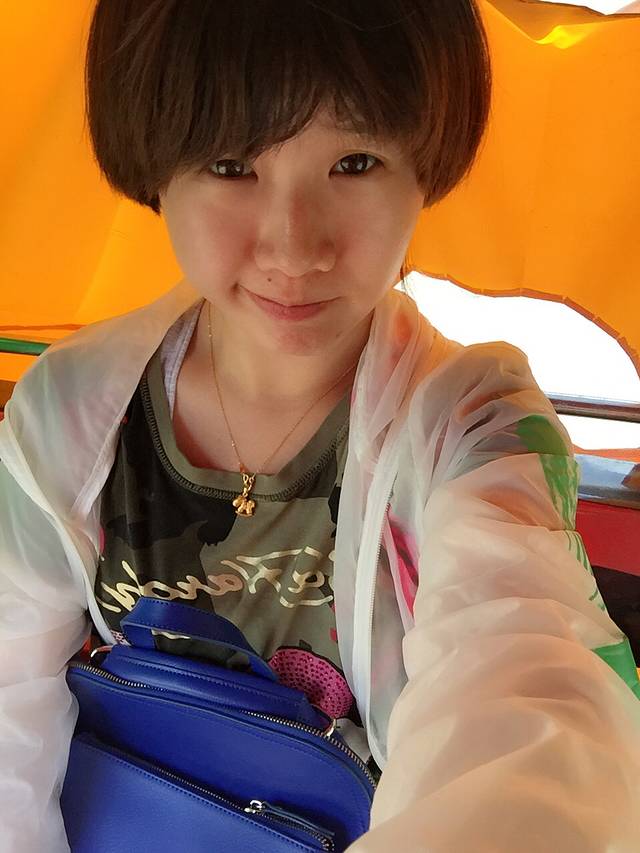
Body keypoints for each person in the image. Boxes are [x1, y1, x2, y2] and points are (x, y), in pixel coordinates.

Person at [1, 1, 639, 851]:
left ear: (425, 169)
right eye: (232, 165)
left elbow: (529, 694)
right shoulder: (69, 413)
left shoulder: (476, 431)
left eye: (355, 161)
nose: (295, 248)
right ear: (157, 169)